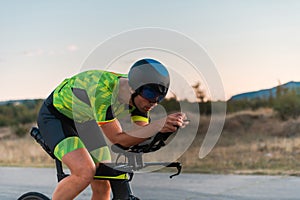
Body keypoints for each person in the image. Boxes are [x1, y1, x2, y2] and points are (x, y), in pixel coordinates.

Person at [37, 58, 187, 200]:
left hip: (86, 120)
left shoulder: (141, 100)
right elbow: (118, 139)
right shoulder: (103, 92)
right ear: (132, 88)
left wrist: (163, 131)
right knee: (84, 172)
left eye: (159, 98)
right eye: (149, 95)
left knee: (104, 181)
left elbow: (141, 136)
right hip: (56, 117)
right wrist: (157, 126)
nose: (153, 103)